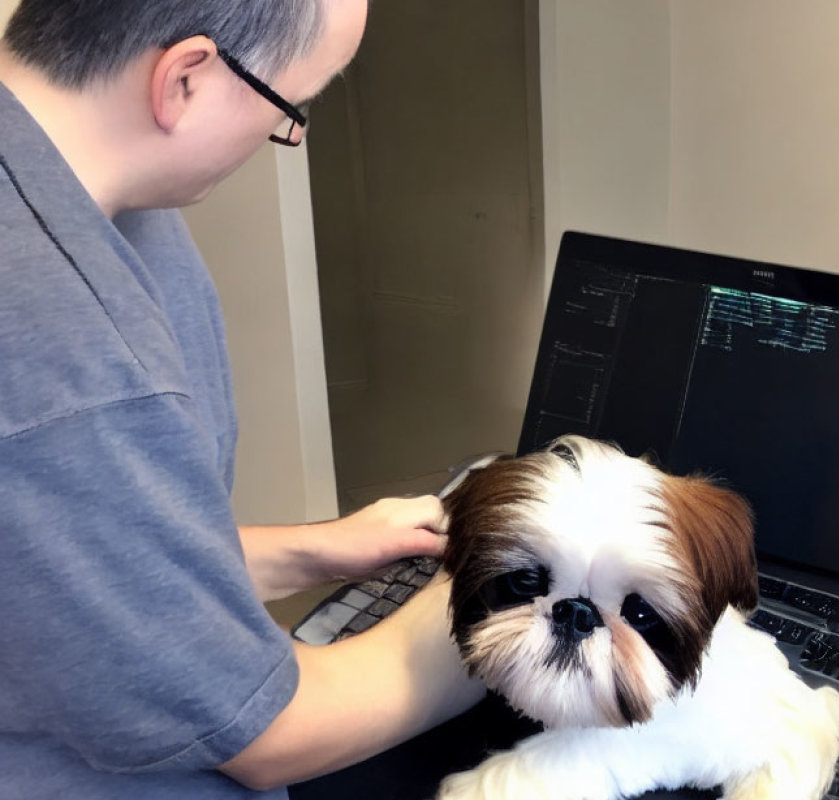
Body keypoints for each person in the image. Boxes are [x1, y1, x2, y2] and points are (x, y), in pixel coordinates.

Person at [0, 1, 484, 798]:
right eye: (288, 110)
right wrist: (503, 593)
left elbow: (63, 574)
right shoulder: (67, 349)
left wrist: (314, 549)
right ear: (185, 77)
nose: (286, 138)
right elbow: (268, 735)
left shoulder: (95, 200)